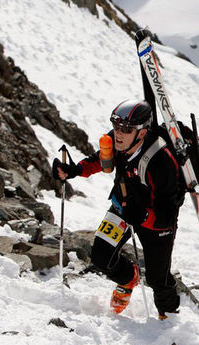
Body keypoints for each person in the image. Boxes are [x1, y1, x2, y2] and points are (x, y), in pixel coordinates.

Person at [52, 100, 183, 319]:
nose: (119, 134)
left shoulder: (161, 160)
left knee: (157, 277)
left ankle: (168, 319)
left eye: (127, 130)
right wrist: (73, 171)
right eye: (116, 127)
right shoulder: (116, 141)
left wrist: (143, 216)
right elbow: (100, 160)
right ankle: (128, 278)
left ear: (142, 132)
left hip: (156, 222)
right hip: (122, 205)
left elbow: (167, 212)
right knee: (101, 256)